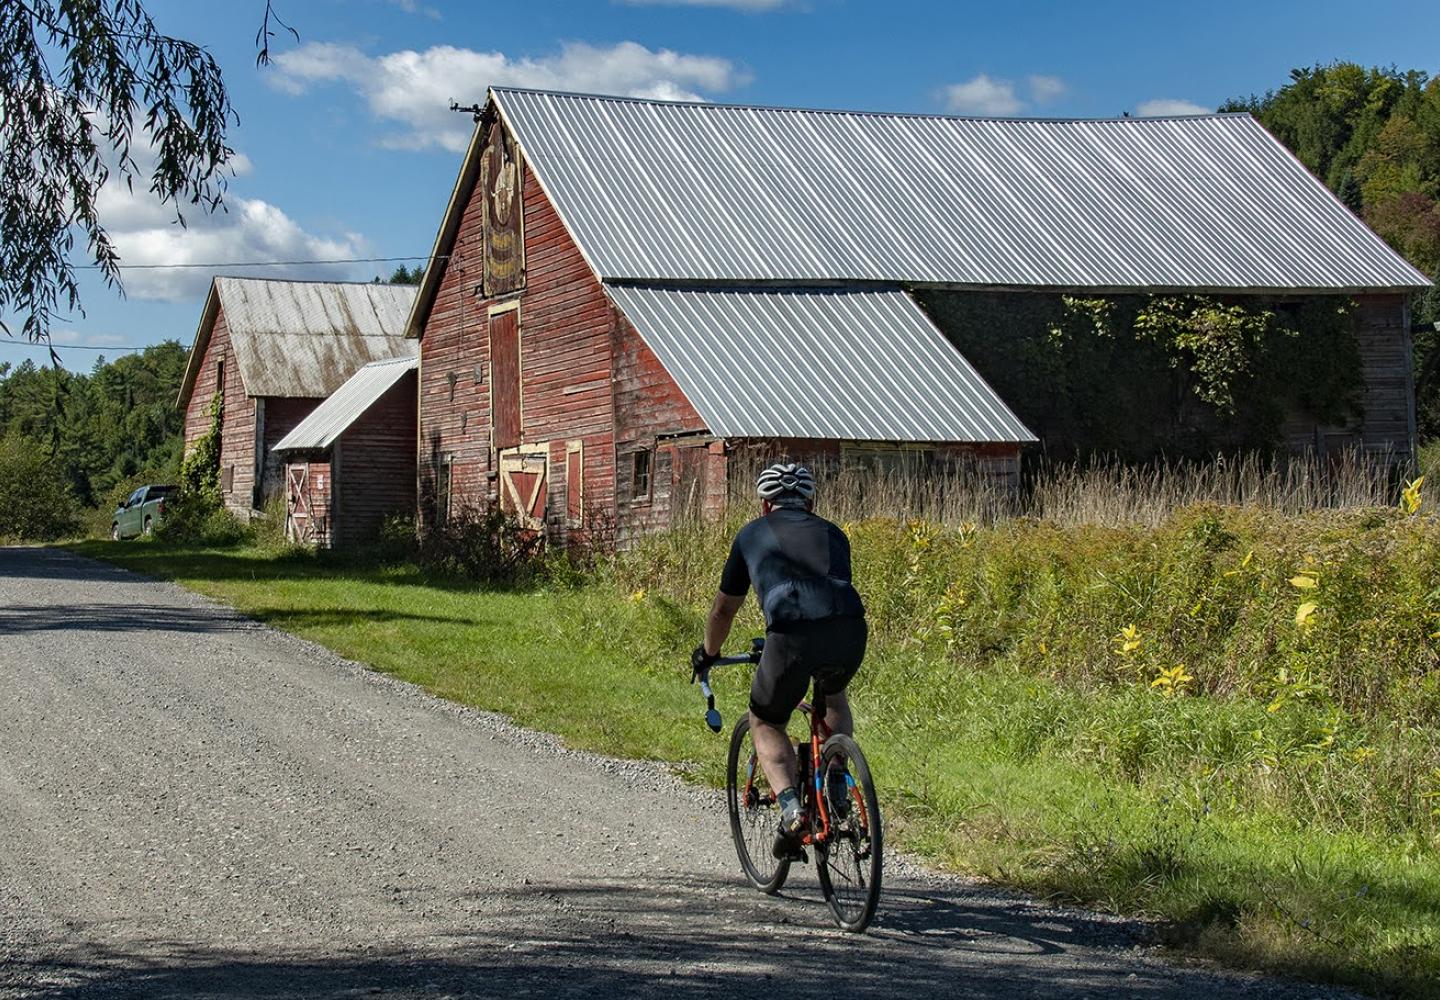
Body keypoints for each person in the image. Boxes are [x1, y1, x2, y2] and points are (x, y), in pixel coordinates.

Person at [692, 462, 867, 859]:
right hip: (850, 628)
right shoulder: (834, 533)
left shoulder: (751, 534)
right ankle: (836, 780)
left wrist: (709, 653)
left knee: (766, 719)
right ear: (810, 501)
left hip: (791, 633)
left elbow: (723, 611)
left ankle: (791, 809)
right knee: (833, 697)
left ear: (764, 505)